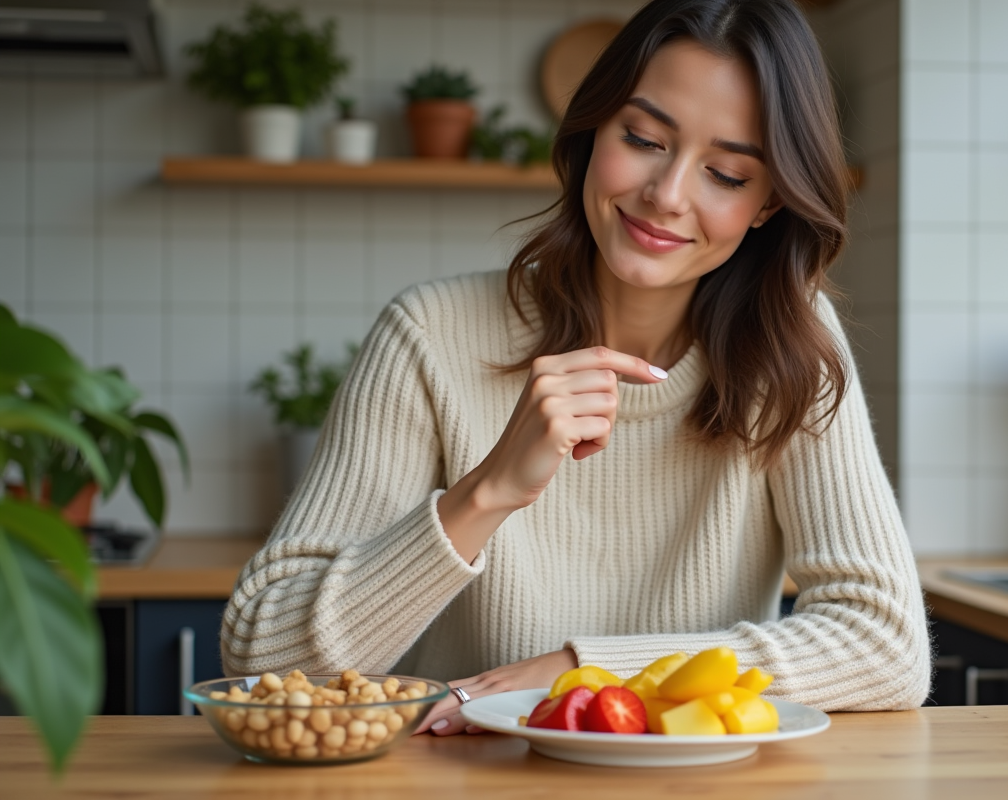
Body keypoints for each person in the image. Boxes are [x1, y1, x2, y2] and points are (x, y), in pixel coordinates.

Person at [222, 0, 930, 736]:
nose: (667, 194)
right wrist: (488, 490)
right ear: (593, 130)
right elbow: (260, 656)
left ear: (766, 205)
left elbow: (886, 645)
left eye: (724, 173)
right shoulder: (429, 336)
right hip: (466, 782)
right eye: (644, 138)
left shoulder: (790, 345)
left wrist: (581, 670)